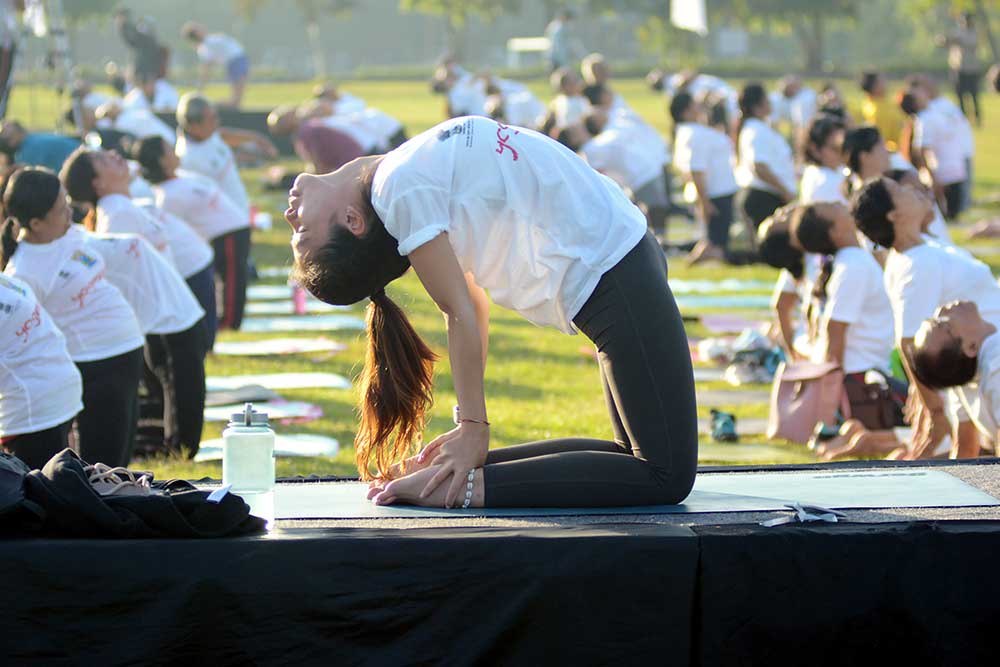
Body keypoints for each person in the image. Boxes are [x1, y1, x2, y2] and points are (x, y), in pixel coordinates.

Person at [288, 116, 698, 508]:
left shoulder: (396, 178)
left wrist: (471, 433)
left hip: (615, 265)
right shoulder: (399, 188)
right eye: (301, 232)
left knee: (641, 459)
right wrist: (471, 430)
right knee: (663, 473)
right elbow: (462, 308)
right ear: (352, 221)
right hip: (614, 271)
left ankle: (453, 479)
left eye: (297, 231)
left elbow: (468, 305)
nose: (290, 215)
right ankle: (459, 486)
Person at [0, 168, 144, 467]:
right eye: (60, 208)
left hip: (120, 356)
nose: (70, 211)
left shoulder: (67, 234)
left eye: (66, 202)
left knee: (118, 462)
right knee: (101, 467)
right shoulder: (26, 270)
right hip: (91, 367)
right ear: (36, 223)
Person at [853, 176, 1000, 459]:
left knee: (967, 456)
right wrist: (933, 411)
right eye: (898, 190)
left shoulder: (918, 253)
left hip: (976, 358)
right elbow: (909, 341)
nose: (910, 189)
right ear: (894, 215)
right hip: (982, 361)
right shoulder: (916, 264)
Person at [61, 143, 218, 347]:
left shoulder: (124, 207)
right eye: (102, 159)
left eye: (107, 152)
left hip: (171, 315)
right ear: (98, 183)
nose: (114, 153)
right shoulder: (117, 216)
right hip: (162, 327)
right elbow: (124, 283)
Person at [85, 231, 207, 457]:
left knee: (170, 393)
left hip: (164, 317)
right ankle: (174, 445)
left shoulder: (94, 231)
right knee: (168, 392)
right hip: (160, 321)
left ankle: (174, 445)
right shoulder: (109, 220)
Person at [790, 203, 904, 437]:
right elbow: (836, 330)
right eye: (832, 209)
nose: (838, 204)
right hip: (862, 380)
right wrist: (831, 403)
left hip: (864, 372)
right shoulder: (854, 265)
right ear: (835, 232)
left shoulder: (853, 259)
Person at [135, 135, 250, 332]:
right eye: (169, 149)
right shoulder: (165, 196)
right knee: (230, 280)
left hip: (234, 229)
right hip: (223, 234)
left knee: (236, 277)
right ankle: (228, 322)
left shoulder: (183, 177)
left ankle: (229, 320)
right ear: (162, 160)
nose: (175, 151)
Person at [0, 273, 83, 469]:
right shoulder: (10, 282)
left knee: (36, 492)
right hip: (55, 389)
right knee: (56, 483)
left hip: (33, 408)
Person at [556, 109, 673, 240]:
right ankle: (660, 243)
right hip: (641, 176)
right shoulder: (590, 149)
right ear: (574, 138)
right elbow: (599, 177)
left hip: (640, 175)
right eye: (574, 130)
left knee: (652, 213)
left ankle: (658, 241)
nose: (579, 127)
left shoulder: (595, 144)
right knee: (656, 212)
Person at [175, 93, 273, 224]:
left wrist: (255, 138)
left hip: (239, 219)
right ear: (194, 126)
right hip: (226, 226)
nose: (216, 122)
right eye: (211, 119)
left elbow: (220, 136)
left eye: (215, 116)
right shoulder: (188, 160)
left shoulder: (205, 135)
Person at [912, 301, 999, 447]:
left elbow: (964, 448)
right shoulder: (996, 365)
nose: (941, 310)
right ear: (971, 347)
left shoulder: (966, 382)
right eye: (943, 324)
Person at [671, 91, 738, 263]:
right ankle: (693, 261)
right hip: (716, 193)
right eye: (694, 105)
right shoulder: (695, 134)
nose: (699, 107)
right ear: (685, 112)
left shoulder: (691, 132)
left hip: (716, 191)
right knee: (716, 244)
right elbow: (696, 169)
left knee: (714, 240)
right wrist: (705, 202)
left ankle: (693, 260)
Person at [900, 86, 969, 221]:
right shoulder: (924, 120)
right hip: (944, 172)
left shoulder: (932, 112)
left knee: (955, 211)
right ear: (915, 103)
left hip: (952, 168)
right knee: (949, 214)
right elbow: (921, 149)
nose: (923, 93)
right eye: (918, 94)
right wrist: (932, 176)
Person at [736, 83, 796, 232]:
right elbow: (759, 167)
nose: (770, 102)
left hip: (767, 195)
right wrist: (785, 191)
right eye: (766, 99)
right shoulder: (756, 130)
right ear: (757, 106)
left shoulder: (760, 128)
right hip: (764, 197)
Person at [267, 105, 366, 174]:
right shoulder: (306, 130)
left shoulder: (306, 132)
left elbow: (318, 165)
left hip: (351, 165)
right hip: (351, 163)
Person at [181, 22, 249, 108]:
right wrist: (200, 89)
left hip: (238, 61)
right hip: (236, 62)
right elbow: (207, 68)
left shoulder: (208, 43)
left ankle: (214, 106)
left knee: (237, 100)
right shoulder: (206, 46)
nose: (202, 28)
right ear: (197, 34)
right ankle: (214, 106)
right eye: (198, 29)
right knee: (236, 100)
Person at [939, 12, 983, 126]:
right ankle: (963, 117)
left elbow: (971, 43)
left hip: (972, 68)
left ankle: (977, 117)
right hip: (958, 68)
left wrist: (957, 41)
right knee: (959, 94)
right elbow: (945, 43)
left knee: (974, 94)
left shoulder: (974, 33)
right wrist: (943, 40)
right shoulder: (957, 33)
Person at [799, 114, 846, 205]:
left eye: (843, 146)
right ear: (815, 150)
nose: (842, 152)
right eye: (835, 148)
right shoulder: (824, 182)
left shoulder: (817, 172)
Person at [114, 8, 166, 88]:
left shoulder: (132, 28)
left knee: (144, 84)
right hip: (146, 62)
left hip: (146, 63)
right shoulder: (130, 27)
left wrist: (121, 27)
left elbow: (134, 41)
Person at [0, 120, 80, 172]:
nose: (4, 125)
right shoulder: (27, 153)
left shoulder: (30, 140)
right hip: (81, 167)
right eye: (4, 131)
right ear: (12, 142)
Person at [858, 72, 904, 151]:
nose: (885, 83)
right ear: (874, 86)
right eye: (882, 81)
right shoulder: (876, 111)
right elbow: (881, 142)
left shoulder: (882, 102)